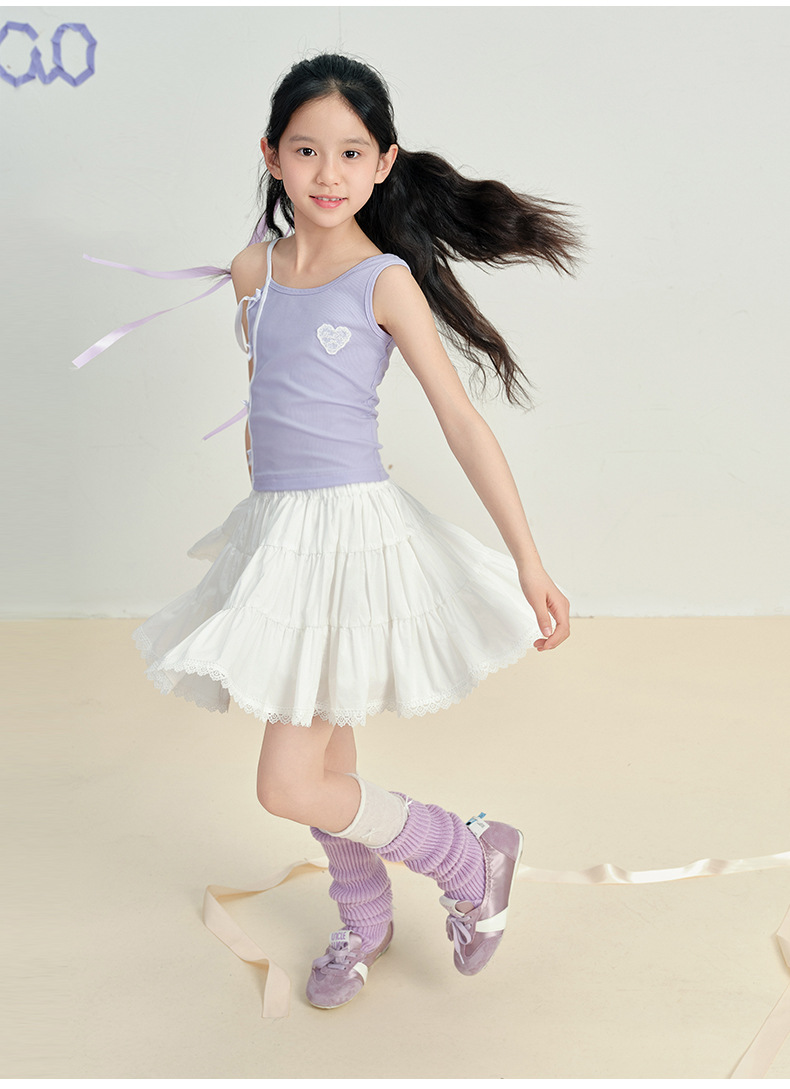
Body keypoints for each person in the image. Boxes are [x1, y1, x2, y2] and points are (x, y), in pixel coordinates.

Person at [130, 52, 580, 1009]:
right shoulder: (252, 270)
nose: (327, 173)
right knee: (327, 760)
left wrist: (529, 560)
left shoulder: (384, 281)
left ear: (383, 163)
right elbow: (262, 392)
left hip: (350, 537)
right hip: (280, 534)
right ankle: (365, 911)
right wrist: (266, 522)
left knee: (285, 782)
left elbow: (461, 421)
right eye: (306, 151)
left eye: (349, 152)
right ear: (272, 156)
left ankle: (467, 854)